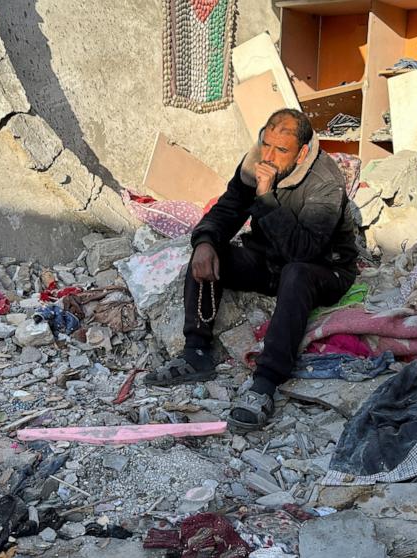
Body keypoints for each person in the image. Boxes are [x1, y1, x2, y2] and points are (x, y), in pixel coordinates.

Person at [144, 109, 359, 430]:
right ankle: (196, 353)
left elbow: (304, 251)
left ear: (301, 153)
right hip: (270, 260)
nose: (268, 156)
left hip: (324, 268)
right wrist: (204, 240)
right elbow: (227, 209)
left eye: (280, 150)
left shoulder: (324, 182)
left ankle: (266, 382)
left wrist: (266, 195)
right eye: (266, 144)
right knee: (209, 251)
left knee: (296, 273)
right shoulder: (255, 162)